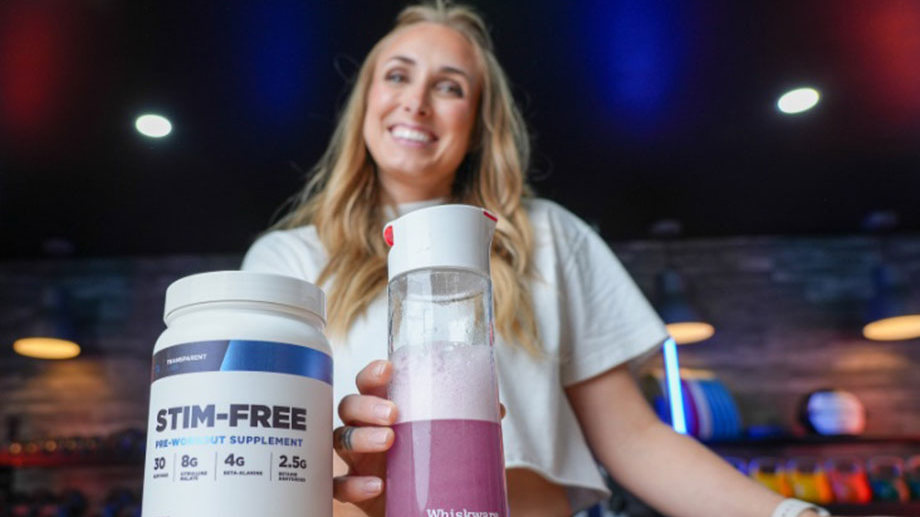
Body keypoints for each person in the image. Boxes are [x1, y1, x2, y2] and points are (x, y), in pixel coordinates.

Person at [241, 2, 839, 516]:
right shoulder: (288, 258)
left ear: (478, 124)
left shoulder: (549, 237)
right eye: (397, 76)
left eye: (450, 86)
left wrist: (792, 512)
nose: (417, 101)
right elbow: (268, 455)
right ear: (365, 102)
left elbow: (634, 439)